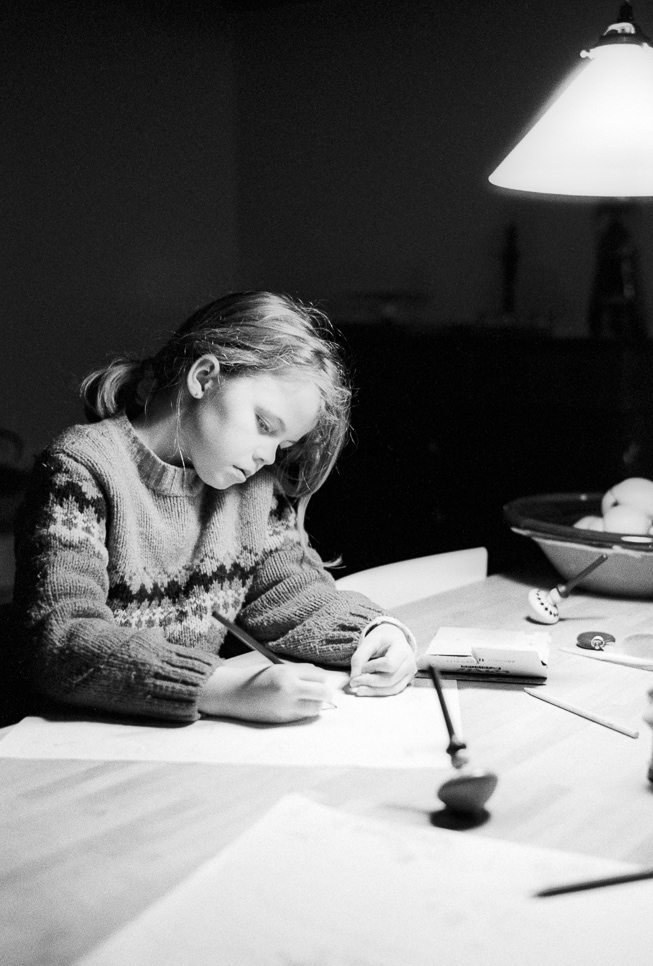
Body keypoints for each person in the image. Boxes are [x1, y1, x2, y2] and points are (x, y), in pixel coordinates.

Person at [11, 291, 417, 725]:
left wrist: (376, 632)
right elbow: (61, 641)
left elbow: (290, 595)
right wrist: (223, 688)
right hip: (76, 749)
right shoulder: (82, 468)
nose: (268, 456)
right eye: (263, 424)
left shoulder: (252, 487)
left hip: (180, 746)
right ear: (204, 378)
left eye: (282, 445)